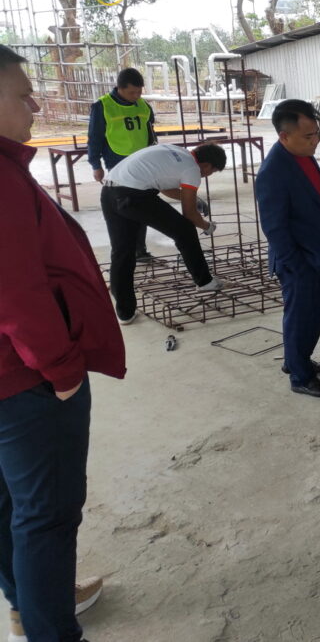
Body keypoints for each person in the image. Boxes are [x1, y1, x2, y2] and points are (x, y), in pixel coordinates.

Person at [0, 44, 124, 642]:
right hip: (25, 379)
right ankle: (51, 627)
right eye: (22, 94)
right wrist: (61, 367)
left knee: (10, 505)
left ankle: (30, 601)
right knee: (46, 517)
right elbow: (16, 289)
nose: (34, 104)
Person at [256, 100, 320, 398]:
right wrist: (295, 263)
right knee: (301, 315)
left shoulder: (303, 155)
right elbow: (274, 227)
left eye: (316, 133)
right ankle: (300, 377)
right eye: (308, 136)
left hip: (317, 254)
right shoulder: (273, 171)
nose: (314, 141)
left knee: (317, 309)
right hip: (299, 260)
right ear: (284, 136)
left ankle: (297, 359)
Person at [100, 143, 226, 324]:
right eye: (210, 172)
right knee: (185, 230)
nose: (206, 175)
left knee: (122, 252)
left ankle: (125, 312)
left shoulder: (176, 152)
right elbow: (189, 214)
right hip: (135, 196)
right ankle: (205, 281)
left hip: (109, 192)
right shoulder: (192, 169)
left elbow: (164, 186)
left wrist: (193, 199)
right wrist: (206, 226)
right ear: (206, 165)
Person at [87, 67, 157, 260]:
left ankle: (139, 249)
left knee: (142, 204)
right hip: (117, 162)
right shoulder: (103, 106)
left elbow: (151, 133)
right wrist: (95, 165)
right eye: (131, 92)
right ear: (119, 88)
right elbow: (94, 138)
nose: (136, 96)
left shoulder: (143, 106)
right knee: (125, 206)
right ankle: (126, 249)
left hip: (142, 162)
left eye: (139, 92)